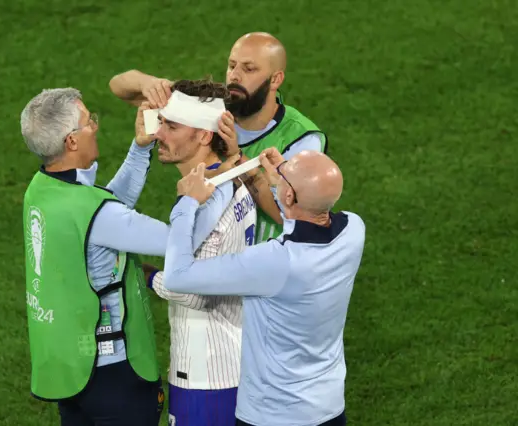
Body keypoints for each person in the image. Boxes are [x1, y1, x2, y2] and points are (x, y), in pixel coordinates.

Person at [19, 88, 233, 426]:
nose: (96, 127)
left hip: (67, 369)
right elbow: (177, 242)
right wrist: (217, 186)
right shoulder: (98, 215)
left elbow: (104, 210)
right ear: (72, 141)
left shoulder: (41, 190)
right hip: (113, 378)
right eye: (90, 122)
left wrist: (140, 148)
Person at [159, 148, 365, 426]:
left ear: (290, 195)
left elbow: (178, 276)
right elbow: (303, 217)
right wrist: (280, 182)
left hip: (273, 415)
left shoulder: (274, 262)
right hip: (329, 408)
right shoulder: (354, 230)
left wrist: (186, 204)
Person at [108, 32, 328, 243]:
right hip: (220, 246)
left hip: (270, 262)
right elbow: (118, 86)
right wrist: (147, 84)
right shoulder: (212, 107)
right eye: (232, 66)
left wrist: (238, 159)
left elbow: (289, 215)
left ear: (275, 79)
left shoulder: (301, 140)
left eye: (249, 69)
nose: (234, 76)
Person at [141, 79, 257, 426]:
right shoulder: (231, 181)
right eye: (160, 122)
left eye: (171, 126)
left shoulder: (205, 200)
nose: (158, 134)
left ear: (205, 136)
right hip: (230, 363)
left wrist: (146, 275)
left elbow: (195, 292)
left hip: (207, 376)